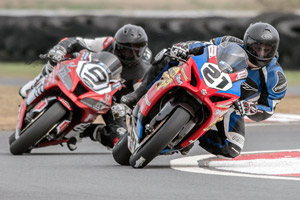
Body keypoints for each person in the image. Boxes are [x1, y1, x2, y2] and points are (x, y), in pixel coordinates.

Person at [121, 22, 287, 158]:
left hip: (231, 105)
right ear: (248, 43)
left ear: (275, 49)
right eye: (257, 48)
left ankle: (193, 136)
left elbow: (268, 108)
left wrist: (251, 109)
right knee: (167, 55)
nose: (262, 53)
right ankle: (138, 95)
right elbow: (204, 47)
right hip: (204, 78)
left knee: (233, 148)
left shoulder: (275, 77)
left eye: (267, 49)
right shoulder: (229, 42)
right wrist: (185, 48)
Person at [19, 24, 152, 149]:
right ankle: (39, 81)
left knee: (119, 138)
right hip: (88, 77)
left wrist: (126, 106)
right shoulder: (107, 43)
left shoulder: (142, 71)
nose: (130, 55)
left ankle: (85, 132)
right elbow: (77, 41)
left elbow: (140, 96)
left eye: (135, 51)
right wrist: (60, 49)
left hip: (113, 101)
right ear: (117, 44)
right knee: (60, 57)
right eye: (125, 50)